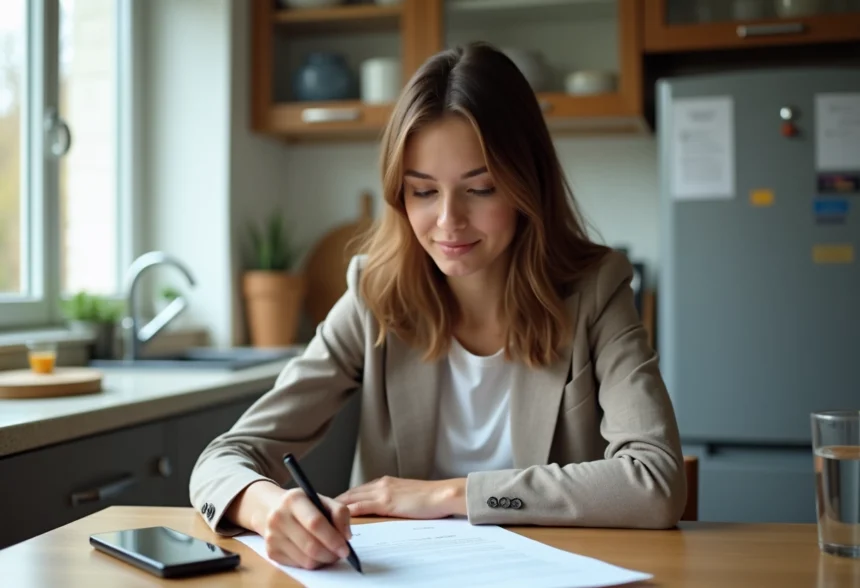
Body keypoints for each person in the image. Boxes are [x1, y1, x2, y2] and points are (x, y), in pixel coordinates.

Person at [189, 41, 686, 571]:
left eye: (481, 188)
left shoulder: (595, 289)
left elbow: (655, 481)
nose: (449, 221)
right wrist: (271, 507)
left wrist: (451, 495)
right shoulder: (374, 294)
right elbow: (223, 459)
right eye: (423, 191)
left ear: (527, 187)